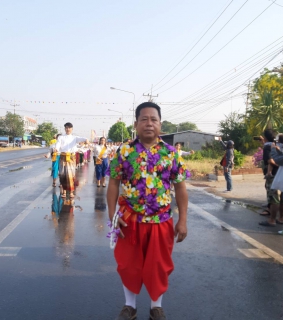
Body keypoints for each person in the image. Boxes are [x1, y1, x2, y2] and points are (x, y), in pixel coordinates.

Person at [107, 102, 189, 320]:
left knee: (158, 266)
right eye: (144, 119)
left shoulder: (172, 154)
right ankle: (129, 306)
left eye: (154, 119)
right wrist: (112, 216)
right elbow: (113, 183)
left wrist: (182, 220)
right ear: (136, 124)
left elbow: (180, 187)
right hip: (129, 220)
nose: (149, 124)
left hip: (161, 221)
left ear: (160, 124)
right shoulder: (124, 151)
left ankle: (156, 307)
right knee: (128, 264)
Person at [258, 129, 283, 226]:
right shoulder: (280, 145)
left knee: (274, 198)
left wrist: (278, 165)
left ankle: (272, 220)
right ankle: (281, 218)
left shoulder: (267, 147)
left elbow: (270, 160)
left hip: (273, 175)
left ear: (265, 138)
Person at [54, 123, 88, 198]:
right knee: (63, 174)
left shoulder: (74, 138)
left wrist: (86, 140)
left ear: (72, 129)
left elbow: (83, 139)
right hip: (63, 157)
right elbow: (58, 144)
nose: (68, 129)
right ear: (64, 129)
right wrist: (56, 148)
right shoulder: (61, 137)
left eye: (69, 128)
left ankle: (71, 191)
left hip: (71, 158)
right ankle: (64, 192)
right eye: (66, 128)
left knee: (71, 175)